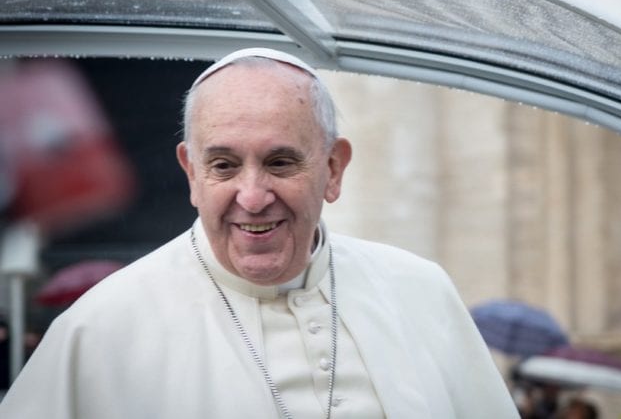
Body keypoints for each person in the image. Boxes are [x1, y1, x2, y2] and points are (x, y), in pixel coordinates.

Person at [0, 48, 520, 418]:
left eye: (280, 162)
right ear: (192, 174)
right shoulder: (100, 328)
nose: (252, 196)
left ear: (334, 169)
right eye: (224, 166)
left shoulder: (420, 290)